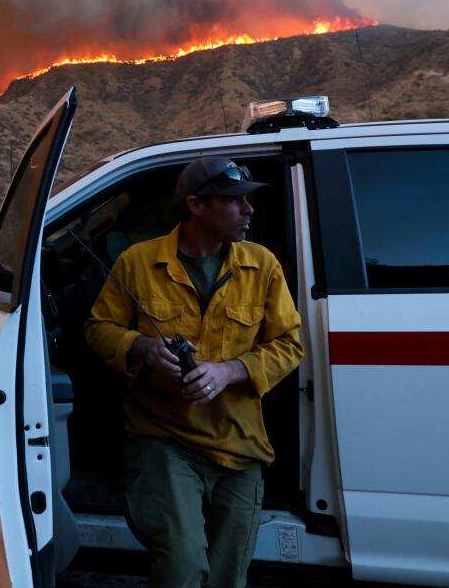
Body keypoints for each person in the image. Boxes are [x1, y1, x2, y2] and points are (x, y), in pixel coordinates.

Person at [84, 157, 303, 588]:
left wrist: (230, 371)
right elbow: (98, 329)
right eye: (235, 201)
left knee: (227, 577)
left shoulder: (262, 266)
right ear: (197, 206)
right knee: (182, 567)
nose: (249, 211)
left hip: (240, 445)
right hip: (164, 438)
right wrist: (142, 347)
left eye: (248, 202)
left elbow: (289, 345)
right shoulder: (137, 263)